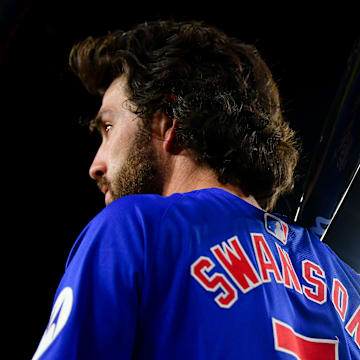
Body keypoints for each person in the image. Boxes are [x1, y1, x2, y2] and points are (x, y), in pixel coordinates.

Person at [32, 20, 360, 360]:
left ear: (169, 121)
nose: (95, 164)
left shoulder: (135, 228)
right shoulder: (351, 288)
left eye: (109, 127)